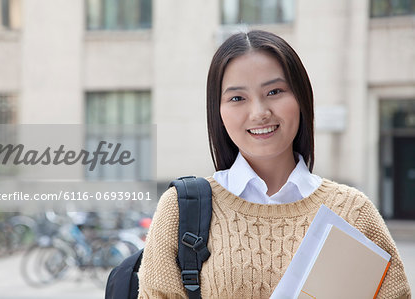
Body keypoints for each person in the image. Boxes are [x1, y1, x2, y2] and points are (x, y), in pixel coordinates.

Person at [137, 30, 411, 299]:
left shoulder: (353, 212)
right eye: (237, 98)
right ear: (217, 112)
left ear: (301, 98)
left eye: (275, 91)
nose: (259, 112)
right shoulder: (181, 209)